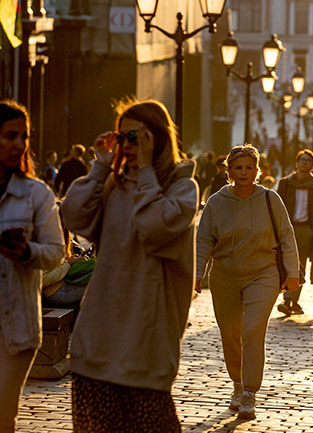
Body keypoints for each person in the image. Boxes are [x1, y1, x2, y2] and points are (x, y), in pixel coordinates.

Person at [61, 98, 198, 431]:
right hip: (98, 342)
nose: (128, 146)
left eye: (136, 137)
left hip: (146, 346)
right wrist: (100, 167)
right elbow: (73, 216)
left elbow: (155, 228)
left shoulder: (182, 189)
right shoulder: (114, 184)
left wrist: (147, 174)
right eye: (122, 137)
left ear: (158, 138)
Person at [195, 145, 300, 420]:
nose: (244, 173)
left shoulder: (270, 199)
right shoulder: (217, 202)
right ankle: (237, 384)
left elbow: (287, 236)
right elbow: (204, 238)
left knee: (252, 329)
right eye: (238, 168)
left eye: (249, 168)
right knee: (230, 333)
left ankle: (250, 392)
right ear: (228, 171)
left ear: (257, 171)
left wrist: (292, 273)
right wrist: (197, 272)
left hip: (263, 273)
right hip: (225, 274)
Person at [0, 100, 65, 433]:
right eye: (10, 135)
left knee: (3, 413)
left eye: (23, 137)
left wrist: (26, 252)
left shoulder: (36, 194)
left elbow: (56, 252)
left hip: (17, 325)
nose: (19, 144)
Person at [276, 149, 313, 315]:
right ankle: (288, 299)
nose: (304, 163)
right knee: (287, 264)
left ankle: (292, 300)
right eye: (302, 160)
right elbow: (277, 206)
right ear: (297, 163)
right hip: (288, 229)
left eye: (308, 161)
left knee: (300, 266)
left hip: (307, 230)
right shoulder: (286, 183)